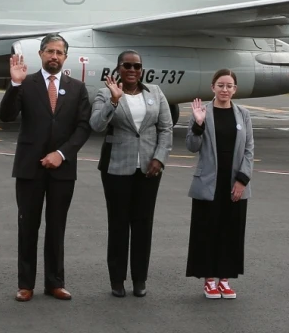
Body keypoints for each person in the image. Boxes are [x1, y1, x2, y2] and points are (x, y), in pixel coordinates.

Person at [0, 33, 91, 302]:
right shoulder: (26, 84)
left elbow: (83, 127)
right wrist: (14, 84)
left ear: (65, 57)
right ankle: (25, 284)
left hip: (62, 170)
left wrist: (62, 154)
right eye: (49, 51)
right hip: (29, 169)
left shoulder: (77, 88)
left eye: (59, 52)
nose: (54, 56)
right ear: (40, 54)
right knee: (28, 226)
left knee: (56, 227)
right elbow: (6, 116)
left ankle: (55, 283)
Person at [89, 50, 173, 298]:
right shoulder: (105, 93)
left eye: (137, 66)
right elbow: (96, 125)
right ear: (118, 69)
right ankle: (117, 280)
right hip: (116, 167)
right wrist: (114, 101)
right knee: (118, 224)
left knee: (143, 224)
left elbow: (166, 128)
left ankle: (139, 279)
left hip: (149, 168)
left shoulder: (155, 93)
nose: (133, 70)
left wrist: (159, 157)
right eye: (127, 65)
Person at [186, 69, 253, 299]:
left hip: (235, 183)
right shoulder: (201, 111)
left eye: (229, 86)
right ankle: (209, 280)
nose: (225, 90)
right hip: (209, 183)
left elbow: (249, 150)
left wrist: (242, 180)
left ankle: (224, 279)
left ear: (235, 89)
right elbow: (192, 146)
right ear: (212, 87)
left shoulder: (243, 114)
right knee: (208, 231)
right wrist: (198, 124)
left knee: (230, 232)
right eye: (221, 85)